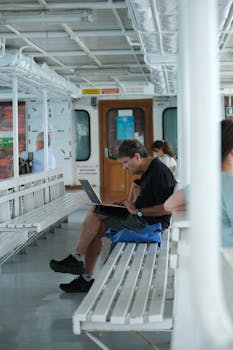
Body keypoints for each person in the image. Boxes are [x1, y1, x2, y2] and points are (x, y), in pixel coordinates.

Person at [49, 139, 176, 293]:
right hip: (139, 216)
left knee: (96, 213)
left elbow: (167, 208)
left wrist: (138, 211)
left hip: (150, 224)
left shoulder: (159, 173)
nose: (124, 168)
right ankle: (84, 275)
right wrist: (126, 203)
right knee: (95, 221)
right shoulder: (149, 170)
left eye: (125, 162)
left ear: (136, 156)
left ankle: (77, 260)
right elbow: (144, 196)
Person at [164, 118, 233, 248]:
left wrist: (201, 205)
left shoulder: (207, 182)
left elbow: (169, 205)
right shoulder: (229, 182)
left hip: (209, 259)